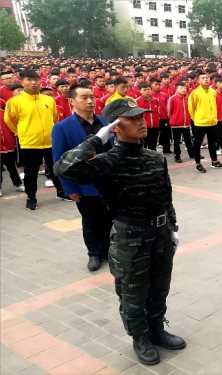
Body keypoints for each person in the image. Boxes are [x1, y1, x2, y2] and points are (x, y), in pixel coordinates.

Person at [53, 98, 186, 366]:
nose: (141, 121)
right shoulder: (105, 161)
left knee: (159, 289)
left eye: (142, 116)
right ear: (114, 126)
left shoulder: (155, 157)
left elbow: (166, 196)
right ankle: (140, 337)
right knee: (133, 294)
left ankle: (157, 329)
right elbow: (63, 168)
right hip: (130, 237)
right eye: (132, 118)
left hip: (160, 235)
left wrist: (172, 226)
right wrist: (94, 141)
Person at [51, 85, 115, 271]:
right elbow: (59, 161)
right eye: (84, 98)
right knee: (91, 221)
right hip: (85, 185)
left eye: (92, 97)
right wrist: (69, 188)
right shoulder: (62, 127)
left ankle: (109, 251)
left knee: (112, 219)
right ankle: (94, 253)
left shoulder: (105, 122)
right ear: (71, 101)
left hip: (110, 182)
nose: (89, 101)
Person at [4, 70, 68, 210]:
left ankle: (61, 192)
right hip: (29, 143)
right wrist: (23, 131)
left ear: (40, 81)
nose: (33, 83)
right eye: (29, 80)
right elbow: (9, 120)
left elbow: (54, 118)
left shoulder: (48, 100)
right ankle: (31, 197)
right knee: (31, 172)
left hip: (50, 142)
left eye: (36, 80)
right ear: (22, 82)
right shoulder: (14, 101)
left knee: (55, 168)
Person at [188, 72, 222, 172]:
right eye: (203, 78)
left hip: (213, 122)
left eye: (207, 77)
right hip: (200, 123)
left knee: (212, 143)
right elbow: (191, 109)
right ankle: (198, 164)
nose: (206, 79)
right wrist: (197, 119)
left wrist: (214, 118)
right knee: (197, 144)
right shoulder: (195, 93)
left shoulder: (213, 92)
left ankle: (214, 162)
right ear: (198, 81)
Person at [168, 82, 193, 163]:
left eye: (184, 88)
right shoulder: (172, 98)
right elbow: (169, 111)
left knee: (188, 140)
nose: (183, 89)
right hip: (176, 124)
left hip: (186, 123)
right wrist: (174, 119)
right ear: (176, 89)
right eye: (181, 88)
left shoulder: (188, 98)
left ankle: (192, 154)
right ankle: (177, 156)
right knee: (176, 141)